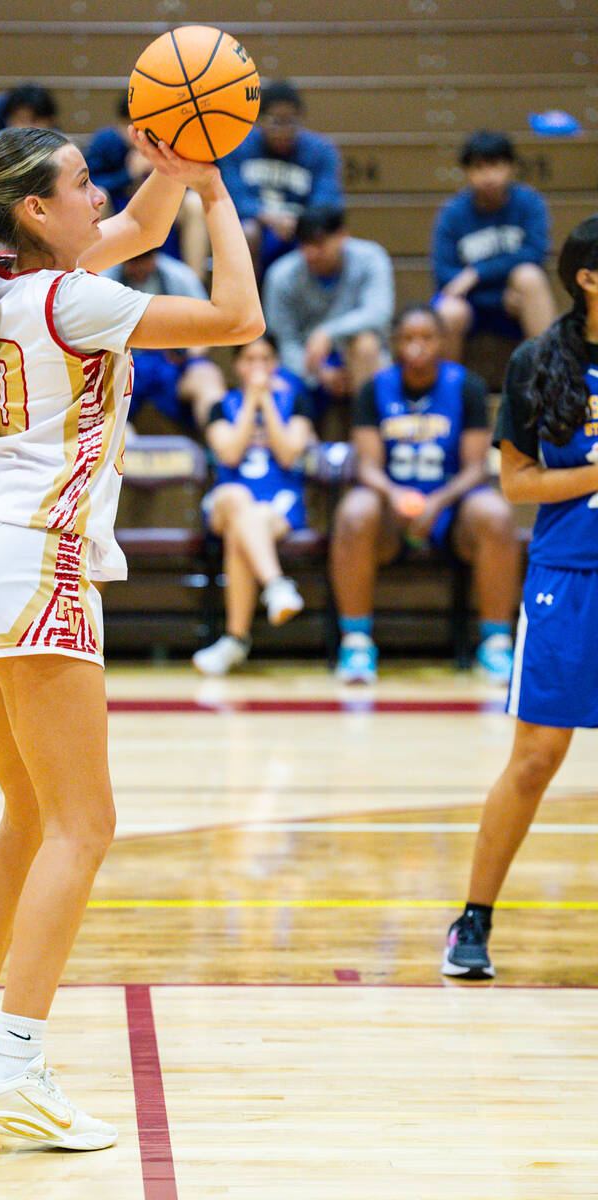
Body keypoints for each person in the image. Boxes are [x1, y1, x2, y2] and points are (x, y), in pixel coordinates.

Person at [0, 126, 263, 1148]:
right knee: (82, 825)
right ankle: (14, 1064)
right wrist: (220, 197)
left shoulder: (7, 284)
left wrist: (176, 173)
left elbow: (135, 226)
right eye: (80, 180)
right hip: (33, 557)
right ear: (35, 208)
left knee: (28, 809)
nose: (97, 190)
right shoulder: (72, 300)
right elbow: (236, 317)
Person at [442, 217, 598, 979]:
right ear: (589, 280)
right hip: (571, 577)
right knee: (537, 757)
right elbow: (516, 483)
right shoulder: (542, 362)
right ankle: (472, 919)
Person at [332, 304, 519, 684]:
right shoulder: (375, 387)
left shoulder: (467, 386)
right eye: (408, 338)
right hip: (390, 508)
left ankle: (497, 645)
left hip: (452, 507)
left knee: (497, 516)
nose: (417, 347)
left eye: (426, 338)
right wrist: (394, 494)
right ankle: (355, 643)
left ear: (443, 342)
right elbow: (367, 467)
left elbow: (475, 467)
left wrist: (436, 502)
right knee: (354, 511)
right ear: (396, 344)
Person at [193, 334, 314, 675]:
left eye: (265, 360)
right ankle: (276, 585)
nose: (258, 367)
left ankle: (235, 639)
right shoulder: (222, 406)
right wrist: (251, 402)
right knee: (236, 498)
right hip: (227, 500)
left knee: (244, 527)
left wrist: (268, 404)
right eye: (250, 360)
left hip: (277, 504)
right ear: (237, 366)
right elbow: (229, 452)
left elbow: (290, 454)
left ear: (276, 364)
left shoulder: (297, 402)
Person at [433, 130, 557, 362]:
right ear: (467, 172)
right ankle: (446, 392)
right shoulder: (452, 213)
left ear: (510, 167)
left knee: (529, 276)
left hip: (514, 301)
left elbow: (536, 252)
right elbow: (444, 277)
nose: (489, 176)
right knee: (448, 310)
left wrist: (477, 273)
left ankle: (548, 375)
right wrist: (494, 295)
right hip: (473, 306)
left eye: (496, 166)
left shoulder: (529, 202)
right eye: (479, 168)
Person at [263, 206, 393, 419]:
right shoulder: (281, 275)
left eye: (319, 243)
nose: (311, 253)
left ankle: (369, 439)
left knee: (366, 345)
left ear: (342, 236)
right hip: (305, 363)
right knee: (274, 380)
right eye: (305, 244)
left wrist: (328, 332)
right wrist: (320, 374)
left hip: (356, 356)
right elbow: (283, 342)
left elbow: (379, 313)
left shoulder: (371, 257)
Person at [220, 80, 343, 279]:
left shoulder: (321, 150)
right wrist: (268, 217)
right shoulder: (236, 146)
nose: (284, 131)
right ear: (259, 121)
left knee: (325, 238)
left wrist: (300, 220)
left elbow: (328, 201)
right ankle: (249, 305)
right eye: (276, 122)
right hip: (254, 227)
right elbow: (230, 197)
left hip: (301, 227)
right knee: (247, 232)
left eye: (291, 122)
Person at [86, 95, 209, 279]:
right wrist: (128, 175)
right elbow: (88, 185)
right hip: (119, 211)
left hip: (164, 209)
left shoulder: (170, 142)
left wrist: (162, 173)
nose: (141, 134)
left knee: (194, 204)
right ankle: (93, 278)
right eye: (132, 127)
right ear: (121, 124)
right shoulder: (106, 141)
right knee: (97, 199)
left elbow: (192, 183)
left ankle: (193, 283)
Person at [103, 248, 225, 429]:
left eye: (143, 262)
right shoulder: (103, 281)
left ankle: (221, 442)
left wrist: (189, 351)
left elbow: (207, 332)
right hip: (120, 364)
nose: (138, 269)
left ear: (155, 257)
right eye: (132, 263)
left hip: (173, 363)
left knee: (207, 376)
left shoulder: (181, 276)